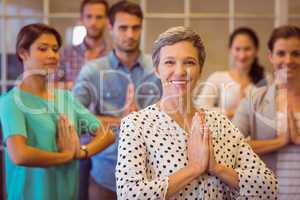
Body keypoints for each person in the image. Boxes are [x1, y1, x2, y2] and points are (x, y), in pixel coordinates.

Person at [116, 26, 277, 199]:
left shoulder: (220, 123)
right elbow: (128, 195)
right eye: (169, 62)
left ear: (200, 70)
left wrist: (218, 169)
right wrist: (193, 169)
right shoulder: (135, 125)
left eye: (189, 62)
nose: (179, 71)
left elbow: (269, 189)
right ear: (157, 69)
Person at [0, 23, 115, 200]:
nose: (52, 55)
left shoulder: (66, 98)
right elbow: (20, 155)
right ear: (23, 53)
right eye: (43, 49)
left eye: (55, 49)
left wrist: (82, 152)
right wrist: (66, 156)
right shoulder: (11, 102)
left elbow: (107, 134)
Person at [73, 1, 161, 199]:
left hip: (154, 175)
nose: (130, 34)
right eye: (123, 28)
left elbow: (173, 115)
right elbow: (74, 116)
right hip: (106, 174)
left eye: (135, 27)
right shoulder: (93, 70)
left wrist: (142, 119)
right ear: (110, 28)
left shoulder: (158, 68)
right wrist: (121, 121)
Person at [232, 25, 300, 199]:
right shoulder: (253, 100)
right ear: (270, 56)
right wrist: (280, 141)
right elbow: (232, 146)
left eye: (296, 53)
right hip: (269, 194)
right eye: (281, 53)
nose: (288, 60)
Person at [194, 27, 268, 119]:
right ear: (230, 50)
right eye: (237, 49)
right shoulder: (217, 78)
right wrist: (232, 111)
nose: (242, 55)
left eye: (247, 49)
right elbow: (200, 110)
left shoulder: (266, 79)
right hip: (223, 132)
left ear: (256, 50)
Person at [56, 0, 111, 89]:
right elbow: (49, 87)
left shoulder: (115, 55)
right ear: (82, 19)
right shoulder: (64, 54)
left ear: (107, 20)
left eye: (99, 17)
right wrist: (75, 85)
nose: (93, 22)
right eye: (89, 16)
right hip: (72, 102)